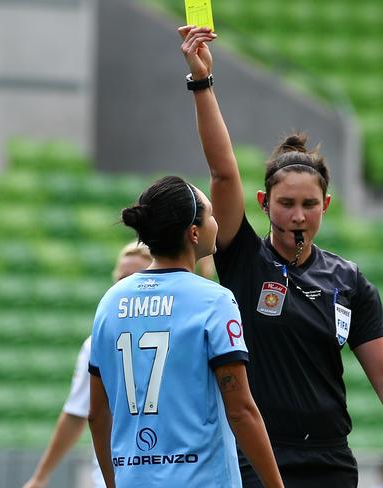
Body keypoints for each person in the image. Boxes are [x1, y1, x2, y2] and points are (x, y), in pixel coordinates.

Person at [179, 25, 383, 487]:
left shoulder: (349, 282)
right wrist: (202, 82)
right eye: (286, 204)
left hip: (330, 462)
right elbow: (222, 171)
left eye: (309, 205)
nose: (298, 215)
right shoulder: (243, 260)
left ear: (326, 206)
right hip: (260, 458)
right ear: (263, 203)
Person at [87, 176, 284, 488]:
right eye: (210, 215)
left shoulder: (111, 302)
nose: (216, 221)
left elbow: (97, 414)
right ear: (194, 232)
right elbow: (241, 411)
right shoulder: (213, 301)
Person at [22, 241, 153, 488]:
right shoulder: (97, 343)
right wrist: (41, 476)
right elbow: (77, 412)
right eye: (121, 279)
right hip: (114, 475)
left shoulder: (181, 335)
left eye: (136, 278)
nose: (126, 287)